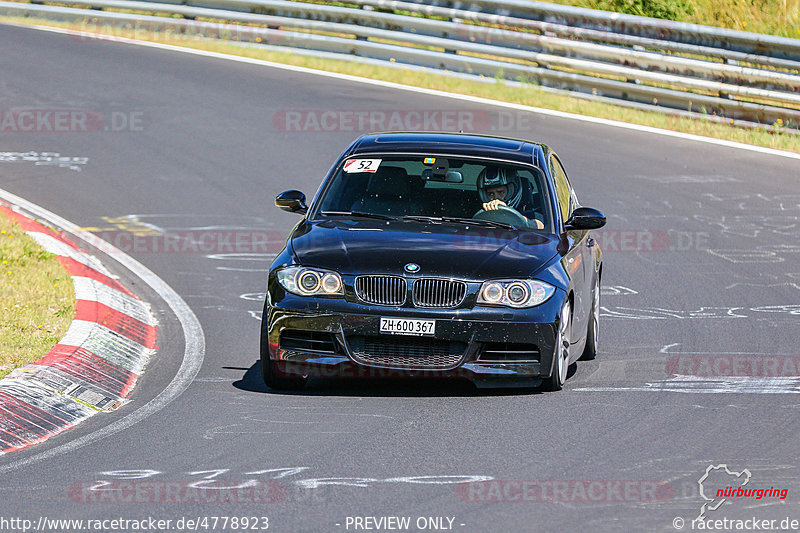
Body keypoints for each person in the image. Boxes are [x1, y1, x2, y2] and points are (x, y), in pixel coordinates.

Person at [477, 166, 544, 229]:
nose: (496, 198)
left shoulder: (531, 213)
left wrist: (506, 214)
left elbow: (540, 226)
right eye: (491, 194)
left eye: (501, 192)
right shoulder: (478, 212)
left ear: (512, 191)